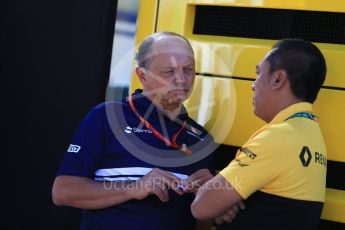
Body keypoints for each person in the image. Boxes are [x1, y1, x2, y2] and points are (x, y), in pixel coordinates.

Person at [52, 32, 215, 230]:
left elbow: (202, 222)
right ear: (142, 76)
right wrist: (133, 188)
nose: (181, 80)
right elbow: (63, 191)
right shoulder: (106, 116)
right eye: (169, 71)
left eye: (188, 70)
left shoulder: (202, 138)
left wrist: (211, 198)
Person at [191, 39, 327, 229]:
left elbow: (201, 208)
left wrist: (212, 191)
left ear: (278, 79)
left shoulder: (277, 137)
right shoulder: (312, 134)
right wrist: (221, 192)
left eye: (258, 73)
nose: (253, 85)